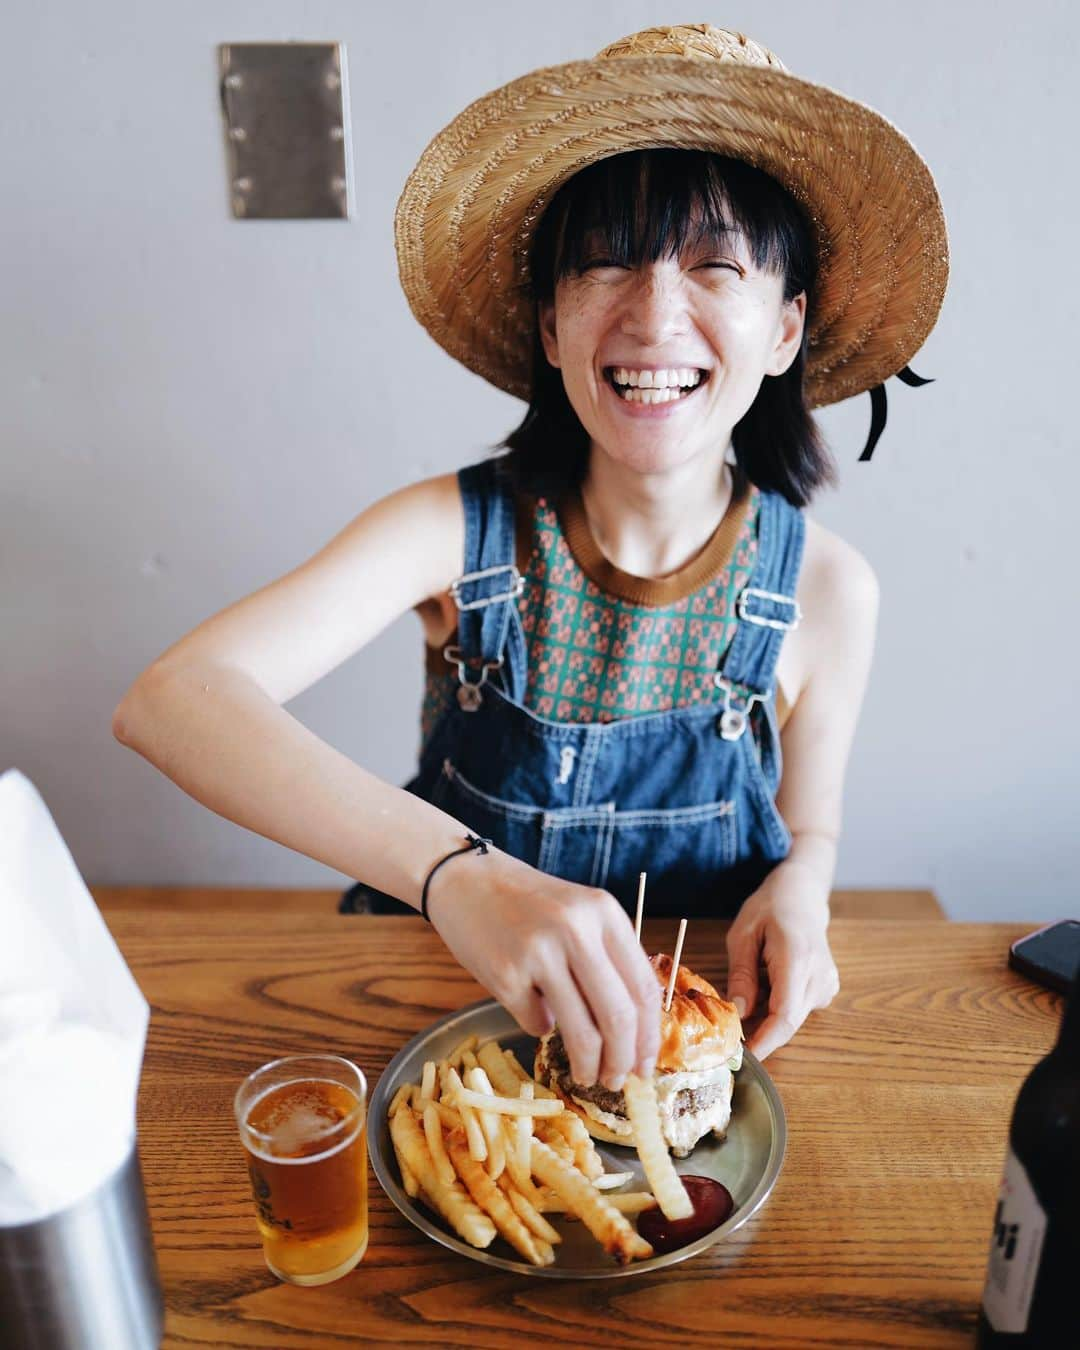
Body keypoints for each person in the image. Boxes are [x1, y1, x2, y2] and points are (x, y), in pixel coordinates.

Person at [112, 25, 947, 1094]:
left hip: (690, 1068)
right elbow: (172, 700)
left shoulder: (830, 589)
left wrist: (807, 886)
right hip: (442, 1036)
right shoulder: (452, 532)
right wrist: (462, 879)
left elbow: (811, 823)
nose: (653, 314)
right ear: (551, 324)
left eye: (714, 266)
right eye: (605, 260)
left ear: (785, 331)